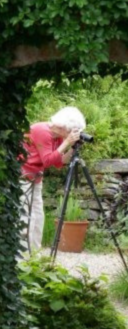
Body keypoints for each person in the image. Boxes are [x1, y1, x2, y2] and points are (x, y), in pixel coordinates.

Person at [20, 106, 86, 252]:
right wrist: (66, 142)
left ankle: (34, 258)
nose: (72, 134)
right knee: (26, 220)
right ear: (64, 127)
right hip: (22, 178)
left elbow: (59, 162)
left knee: (38, 219)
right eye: (72, 131)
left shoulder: (58, 138)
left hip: (35, 179)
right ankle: (23, 260)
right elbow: (47, 161)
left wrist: (72, 148)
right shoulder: (42, 131)